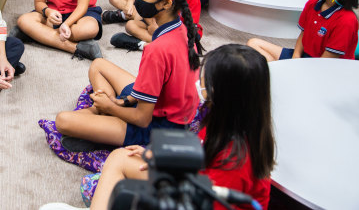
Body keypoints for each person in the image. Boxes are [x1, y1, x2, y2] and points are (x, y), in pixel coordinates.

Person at [41, 44, 276, 210]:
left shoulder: (235, 161)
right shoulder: (222, 119)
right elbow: (201, 153)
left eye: (206, 81)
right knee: (121, 157)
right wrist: (164, 158)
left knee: (113, 179)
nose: (199, 83)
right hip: (194, 183)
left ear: (225, 94)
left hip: (195, 195)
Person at [55, 0, 201, 150]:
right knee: (98, 64)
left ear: (166, 3)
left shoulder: (156, 50)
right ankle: (102, 119)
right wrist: (123, 101)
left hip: (158, 128)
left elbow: (142, 118)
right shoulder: (181, 27)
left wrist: (110, 107)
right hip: (161, 104)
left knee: (63, 121)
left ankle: (102, 119)